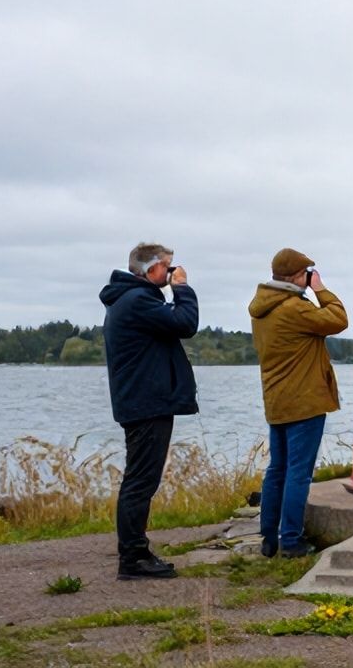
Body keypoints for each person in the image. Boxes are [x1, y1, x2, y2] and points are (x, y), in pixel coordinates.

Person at [100, 242, 199, 580]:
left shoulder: (129, 300)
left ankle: (136, 551)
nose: (172, 272)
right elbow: (185, 323)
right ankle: (132, 558)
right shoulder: (139, 300)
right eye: (168, 266)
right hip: (146, 403)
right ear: (150, 269)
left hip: (141, 401)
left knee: (139, 480)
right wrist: (182, 288)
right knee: (141, 482)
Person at [249, 248, 350, 558]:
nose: (310, 278)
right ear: (295, 276)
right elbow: (338, 319)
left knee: (277, 469)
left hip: (277, 400)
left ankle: (269, 538)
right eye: (307, 273)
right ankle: (291, 540)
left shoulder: (263, 309)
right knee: (298, 473)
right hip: (304, 401)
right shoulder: (294, 308)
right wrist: (320, 289)